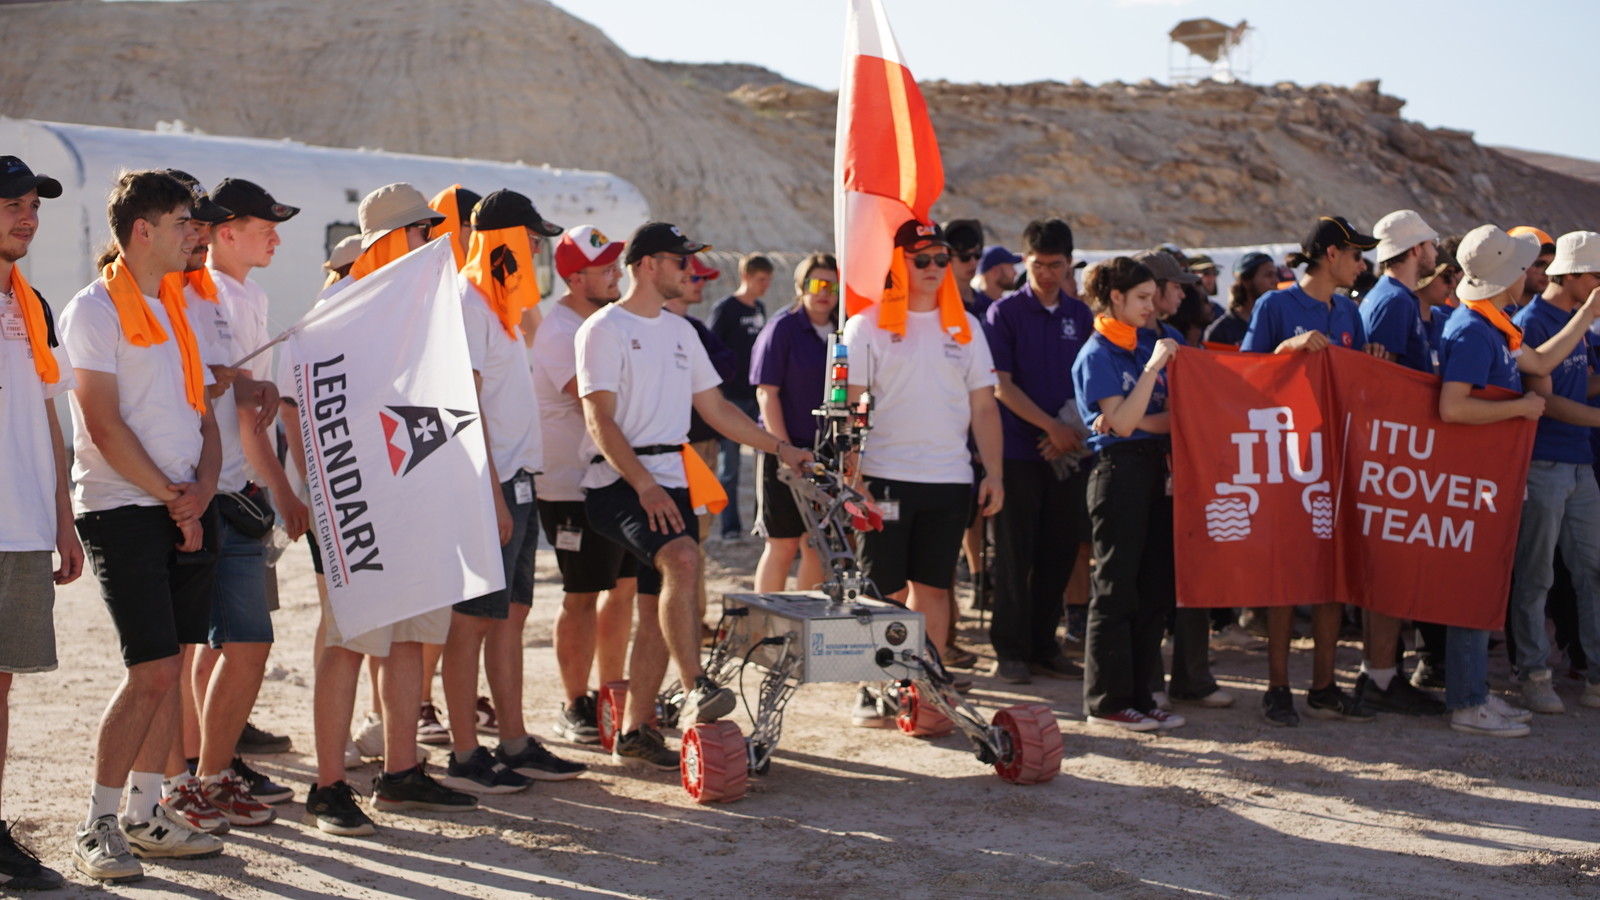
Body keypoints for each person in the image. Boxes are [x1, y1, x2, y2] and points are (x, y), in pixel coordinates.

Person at [578, 222, 812, 771]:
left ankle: (635, 731)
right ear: (647, 265)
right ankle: (695, 687)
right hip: (619, 480)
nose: (690, 270)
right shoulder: (603, 328)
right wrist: (645, 484)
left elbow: (718, 411)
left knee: (663, 599)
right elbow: (598, 419)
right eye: (680, 260)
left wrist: (782, 449)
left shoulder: (682, 331)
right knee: (684, 560)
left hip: (675, 478)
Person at [301, 183, 476, 837]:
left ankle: (400, 772)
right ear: (391, 239)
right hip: (364, 501)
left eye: (432, 229)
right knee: (350, 642)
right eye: (421, 231)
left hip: (417, 494)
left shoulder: (423, 307)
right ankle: (327, 786)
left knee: (410, 636)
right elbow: (319, 414)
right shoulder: (338, 308)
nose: (432, 240)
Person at [63, 170, 224, 881]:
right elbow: (101, 423)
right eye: (185, 221)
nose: (196, 233)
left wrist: (202, 492)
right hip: (122, 509)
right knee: (151, 670)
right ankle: (98, 822)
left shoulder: (178, 305)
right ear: (143, 230)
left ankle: (145, 812)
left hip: (183, 505)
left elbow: (203, 417)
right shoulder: (93, 310)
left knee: (171, 667)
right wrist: (171, 497)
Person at [440, 190, 584, 793]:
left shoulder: (500, 305)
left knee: (509, 617)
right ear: (504, 240)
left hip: (518, 479)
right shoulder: (470, 303)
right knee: (471, 620)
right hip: (492, 483)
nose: (536, 251)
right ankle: (463, 753)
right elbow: (464, 405)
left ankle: (514, 742)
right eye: (529, 239)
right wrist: (492, 495)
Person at [842, 220, 1003, 692]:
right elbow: (850, 406)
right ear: (899, 263)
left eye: (941, 259)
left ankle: (925, 686)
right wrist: (854, 478)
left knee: (934, 587)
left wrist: (994, 473)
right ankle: (876, 687)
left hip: (949, 480)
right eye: (922, 259)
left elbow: (984, 407)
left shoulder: (967, 326)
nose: (934, 268)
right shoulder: (865, 325)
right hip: (884, 477)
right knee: (884, 590)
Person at [1241, 216, 1386, 727]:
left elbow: (1358, 387)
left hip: (1338, 458)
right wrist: (1287, 350)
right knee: (1285, 576)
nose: (1362, 265)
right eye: (1356, 255)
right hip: (1287, 460)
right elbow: (1243, 376)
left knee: (1331, 574)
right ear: (1331, 255)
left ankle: (1323, 687)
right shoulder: (1275, 306)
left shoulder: (1349, 311)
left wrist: (1372, 362)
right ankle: (1277, 687)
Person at [1434, 224, 1551, 736]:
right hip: (1475, 480)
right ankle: (1466, 703)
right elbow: (1453, 406)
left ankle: (1475, 692)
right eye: (1524, 268)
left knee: (1484, 586)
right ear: (1508, 277)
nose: (1529, 275)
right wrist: (1520, 408)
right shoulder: (1473, 330)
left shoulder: (1488, 324)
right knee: (1472, 587)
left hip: (1489, 478)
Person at [0, 156, 79, 890]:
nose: (26, 218)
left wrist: (63, 518)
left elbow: (50, 416)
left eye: (32, 206)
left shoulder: (35, 306)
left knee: (0, 689)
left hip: (23, 526)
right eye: (11, 206)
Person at [533, 225, 637, 744]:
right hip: (570, 486)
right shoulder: (559, 332)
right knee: (581, 593)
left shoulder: (605, 323)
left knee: (623, 589)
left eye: (617, 264)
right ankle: (575, 703)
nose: (617, 274)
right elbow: (598, 403)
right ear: (575, 279)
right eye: (606, 268)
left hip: (615, 477)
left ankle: (610, 694)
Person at [1072, 257, 1184, 730]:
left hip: (1155, 469)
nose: (1151, 306)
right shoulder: (1098, 352)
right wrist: (1151, 374)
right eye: (1141, 297)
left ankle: (1142, 694)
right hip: (1117, 473)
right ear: (1115, 297)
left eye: (1153, 297)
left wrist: (1131, 419)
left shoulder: (1143, 343)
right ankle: (1106, 701)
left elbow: (1165, 418)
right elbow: (1119, 424)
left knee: (1153, 588)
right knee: (1115, 589)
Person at [1348, 210, 1451, 717]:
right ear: (1414, 250)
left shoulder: (1396, 298)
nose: (1435, 252)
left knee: (1390, 570)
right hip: (1392, 452)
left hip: (1398, 450)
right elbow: (1376, 381)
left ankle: (1381, 673)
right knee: (1388, 570)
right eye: (1430, 244)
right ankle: (1381, 677)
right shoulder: (1392, 300)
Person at [984, 219, 1091, 684]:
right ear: (1024, 262)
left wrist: (1068, 432)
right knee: (1014, 555)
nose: (1046, 273)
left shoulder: (1082, 316)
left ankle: (1044, 646)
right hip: (1017, 453)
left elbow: (1089, 383)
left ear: (1069, 264)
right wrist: (1051, 428)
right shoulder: (1003, 314)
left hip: (1068, 453)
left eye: (1055, 265)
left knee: (1060, 551)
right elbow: (1000, 385)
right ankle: (1009, 650)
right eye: (1038, 265)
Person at [1509, 229, 1600, 715]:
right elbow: (1544, 399)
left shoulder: (1573, 318)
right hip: (1543, 462)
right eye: (1596, 277)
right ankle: (1533, 673)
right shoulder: (1533, 321)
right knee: (1536, 575)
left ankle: (1596, 677)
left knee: (1593, 571)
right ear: (1574, 275)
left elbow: (1577, 383)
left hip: (1579, 462)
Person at [418, 183, 483, 746]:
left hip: (456, 463)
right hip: (433, 462)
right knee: (430, 598)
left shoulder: (465, 288)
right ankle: (415, 703)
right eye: (469, 225)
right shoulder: (445, 289)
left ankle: (436, 698)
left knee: (453, 601)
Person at [750, 253, 837, 593]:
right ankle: (765, 621)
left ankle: (806, 619)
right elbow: (766, 393)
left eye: (832, 285)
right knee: (782, 543)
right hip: (784, 448)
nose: (824, 292)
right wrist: (784, 449)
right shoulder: (782, 328)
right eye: (817, 284)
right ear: (801, 286)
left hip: (827, 453)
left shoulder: (845, 330)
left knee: (817, 543)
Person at [707, 254, 773, 539]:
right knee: (730, 467)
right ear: (746, 276)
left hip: (756, 397)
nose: (765, 285)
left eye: (768, 280)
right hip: (731, 398)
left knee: (764, 463)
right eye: (761, 279)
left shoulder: (759, 308)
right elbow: (711, 349)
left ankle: (763, 522)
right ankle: (730, 527)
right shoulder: (726, 309)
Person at [1203, 251, 1274, 347]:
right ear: (1246, 281)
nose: (1276, 281)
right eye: (1269, 275)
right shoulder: (1221, 332)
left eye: (1275, 275)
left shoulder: (1277, 322)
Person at [1508, 226, 1556, 311]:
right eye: (1539, 264)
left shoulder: (1557, 314)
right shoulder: (1489, 311)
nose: (1547, 272)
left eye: (1552, 265)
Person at [943, 218, 984, 315]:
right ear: (947, 258)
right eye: (965, 257)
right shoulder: (939, 306)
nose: (973, 262)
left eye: (977, 254)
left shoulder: (988, 305)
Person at [972, 246, 1022, 318]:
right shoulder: (974, 307)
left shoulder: (1008, 307)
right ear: (995, 271)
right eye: (1011, 267)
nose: (1015, 273)